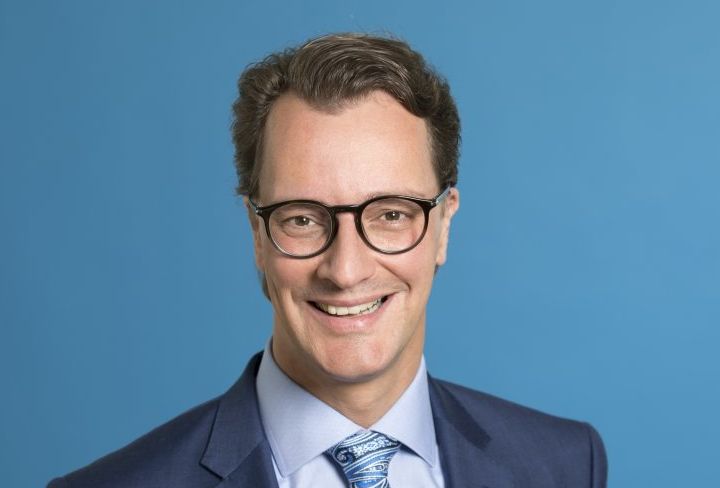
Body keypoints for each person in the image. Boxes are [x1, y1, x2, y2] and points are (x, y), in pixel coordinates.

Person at [48, 33, 607, 488]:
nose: (345, 271)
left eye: (391, 214)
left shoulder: (563, 466)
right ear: (257, 233)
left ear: (443, 225)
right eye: (302, 219)